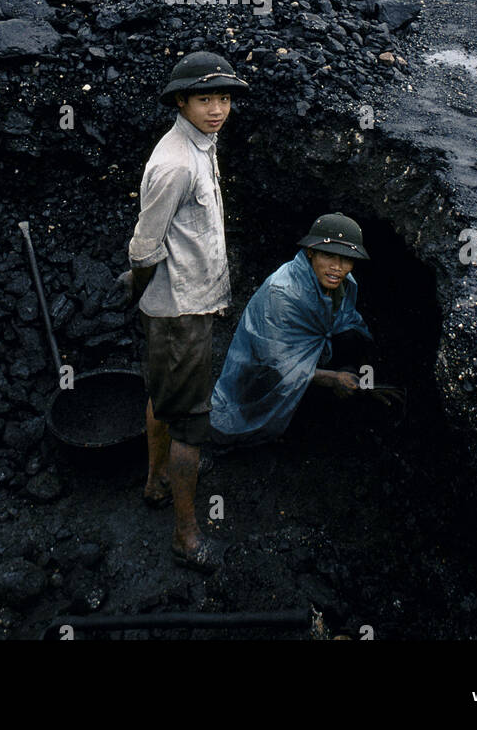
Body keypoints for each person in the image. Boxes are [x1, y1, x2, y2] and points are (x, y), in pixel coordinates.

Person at [125, 50, 249, 572]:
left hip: (184, 302)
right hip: (181, 312)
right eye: (205, 99)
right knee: (191, 425)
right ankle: (186, 535)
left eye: (223, 98)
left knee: (161, 395)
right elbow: (143, 249)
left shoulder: (203, 143)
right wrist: (139, 292)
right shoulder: (175, 162)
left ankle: (154, 483)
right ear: (181, 101)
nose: (217, 108)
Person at [209, 213, 373, 447]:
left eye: (346, 259)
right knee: (264, 417)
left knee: (353, 337)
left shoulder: (344, 282)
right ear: (310, 252)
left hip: (310, 358)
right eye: (328, 255)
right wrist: (334, 379)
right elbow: (274, 363)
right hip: (263, 375)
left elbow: (353, 326)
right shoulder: (282, 292)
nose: (337, 267)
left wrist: (368, 381)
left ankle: (347, 404)